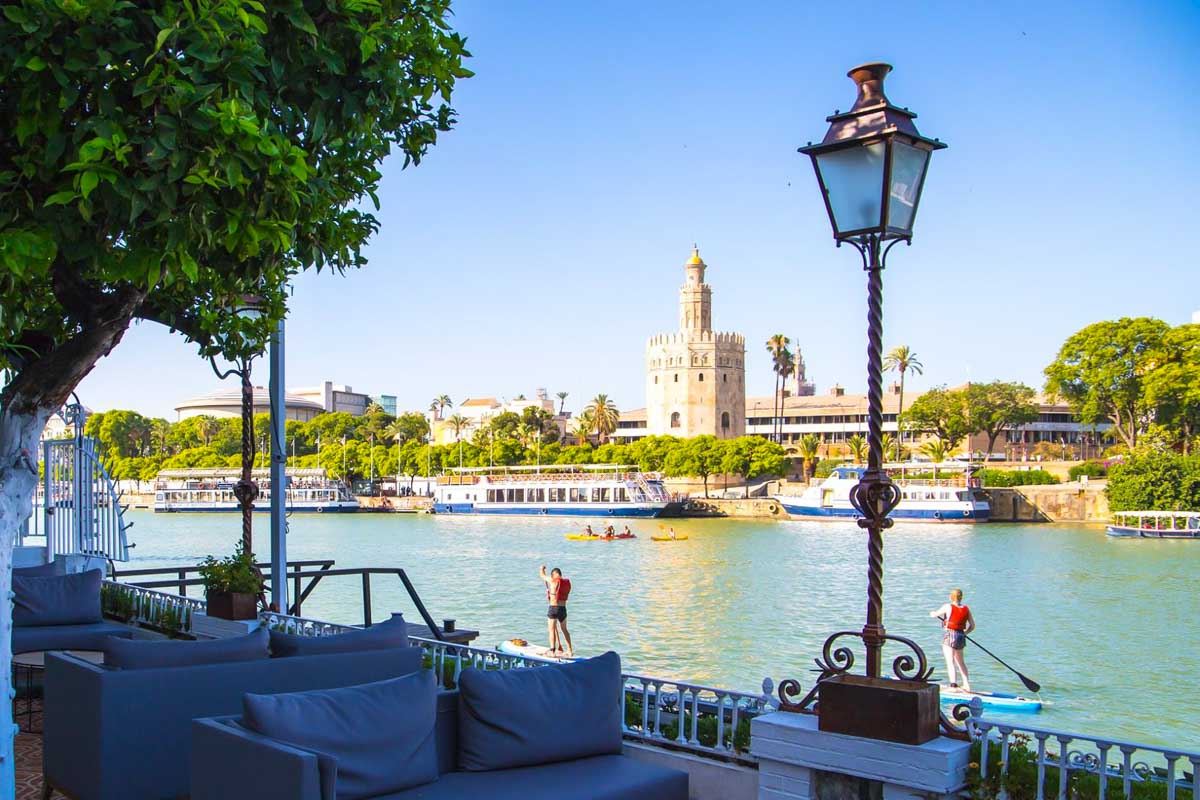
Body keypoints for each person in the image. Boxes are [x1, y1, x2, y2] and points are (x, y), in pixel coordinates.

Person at [930, 588, 975, 691]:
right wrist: (965, 634)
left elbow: (934, 615)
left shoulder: (947, 606)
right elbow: (972, 626)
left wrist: (932, 613)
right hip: (961, 636)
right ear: (961, 597)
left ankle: (953, 685)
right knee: (961, 662)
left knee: (950, 661)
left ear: (951, 597)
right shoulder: (966, 609)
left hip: (950, 634)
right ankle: (967, 685)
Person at [539, 564, 574, 657]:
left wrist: (541, 568)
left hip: (553, 608)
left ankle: (553, 651)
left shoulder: (552, 580)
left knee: (551, 630)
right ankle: (570, 651)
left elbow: (542, 576)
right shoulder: (566, 583)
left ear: (553, 575)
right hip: (563, 609)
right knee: (564, 630)